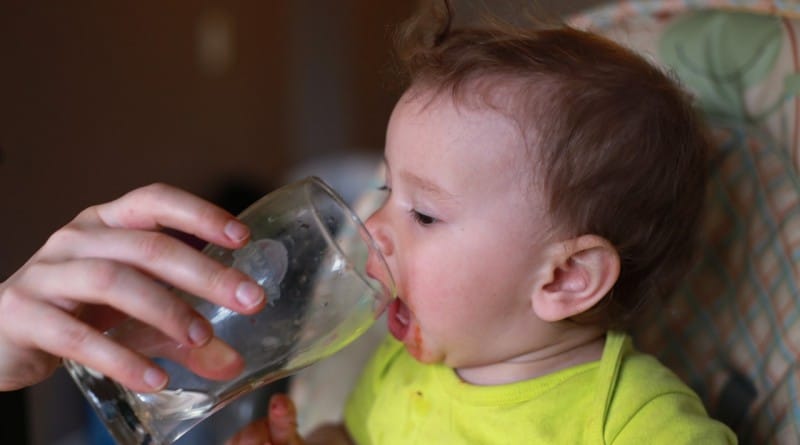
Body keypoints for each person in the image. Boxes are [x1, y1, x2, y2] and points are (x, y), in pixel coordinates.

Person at [0, 3, 736, 445]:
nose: (374, 225)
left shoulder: (631, 417)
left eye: (422, 211)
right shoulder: (401, 364)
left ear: (565, 277)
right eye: (386, 189)